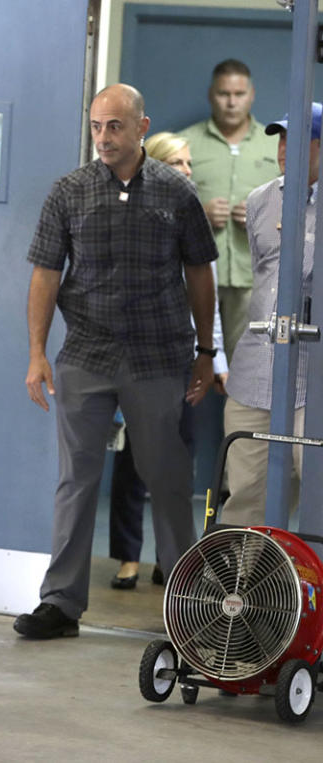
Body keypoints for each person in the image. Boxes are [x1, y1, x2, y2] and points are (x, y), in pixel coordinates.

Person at [16, 84, 218, 639]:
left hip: (157, 358)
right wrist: (36, 353)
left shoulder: (176, 193)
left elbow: (201, 272)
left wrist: (206, 352)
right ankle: (60, 604)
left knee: (167, 480)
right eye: (96, 126)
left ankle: (189, 614)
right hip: (86, 355)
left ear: (141, 127)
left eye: (115, 127)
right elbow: (45, 274)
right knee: (75, 480)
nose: (103, 137)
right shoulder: (68, 191)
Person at [107, 132, 229, 590]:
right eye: (177, 163)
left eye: (189, 163)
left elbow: (208, 303)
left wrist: (213, 357)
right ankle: (127, 556)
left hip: (182, 359)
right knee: (132, 461)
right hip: (135, 358)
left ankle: (170, 558)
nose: (187, 172)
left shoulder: (194, 222)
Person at [220, 103, 321, 527]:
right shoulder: (261, 201)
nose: (283, 150)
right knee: (245, 492)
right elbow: (265, 271)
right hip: (256, 371)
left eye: (296, 141)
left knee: (314, 488)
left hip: (311, 379)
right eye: (280, 139)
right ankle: (244, 585)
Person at [179, 60, 279, 361]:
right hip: (194, 274)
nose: (232, 102)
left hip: (252, 277)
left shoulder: (275, 144)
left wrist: (261, 215)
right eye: (224, 93)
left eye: (239, 93)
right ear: (212, 95)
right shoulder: (185, 143)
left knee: (246, 365)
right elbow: (163, 209)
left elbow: (297, 208)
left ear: (252, 95)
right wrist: (200, 216)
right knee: (184, 359)